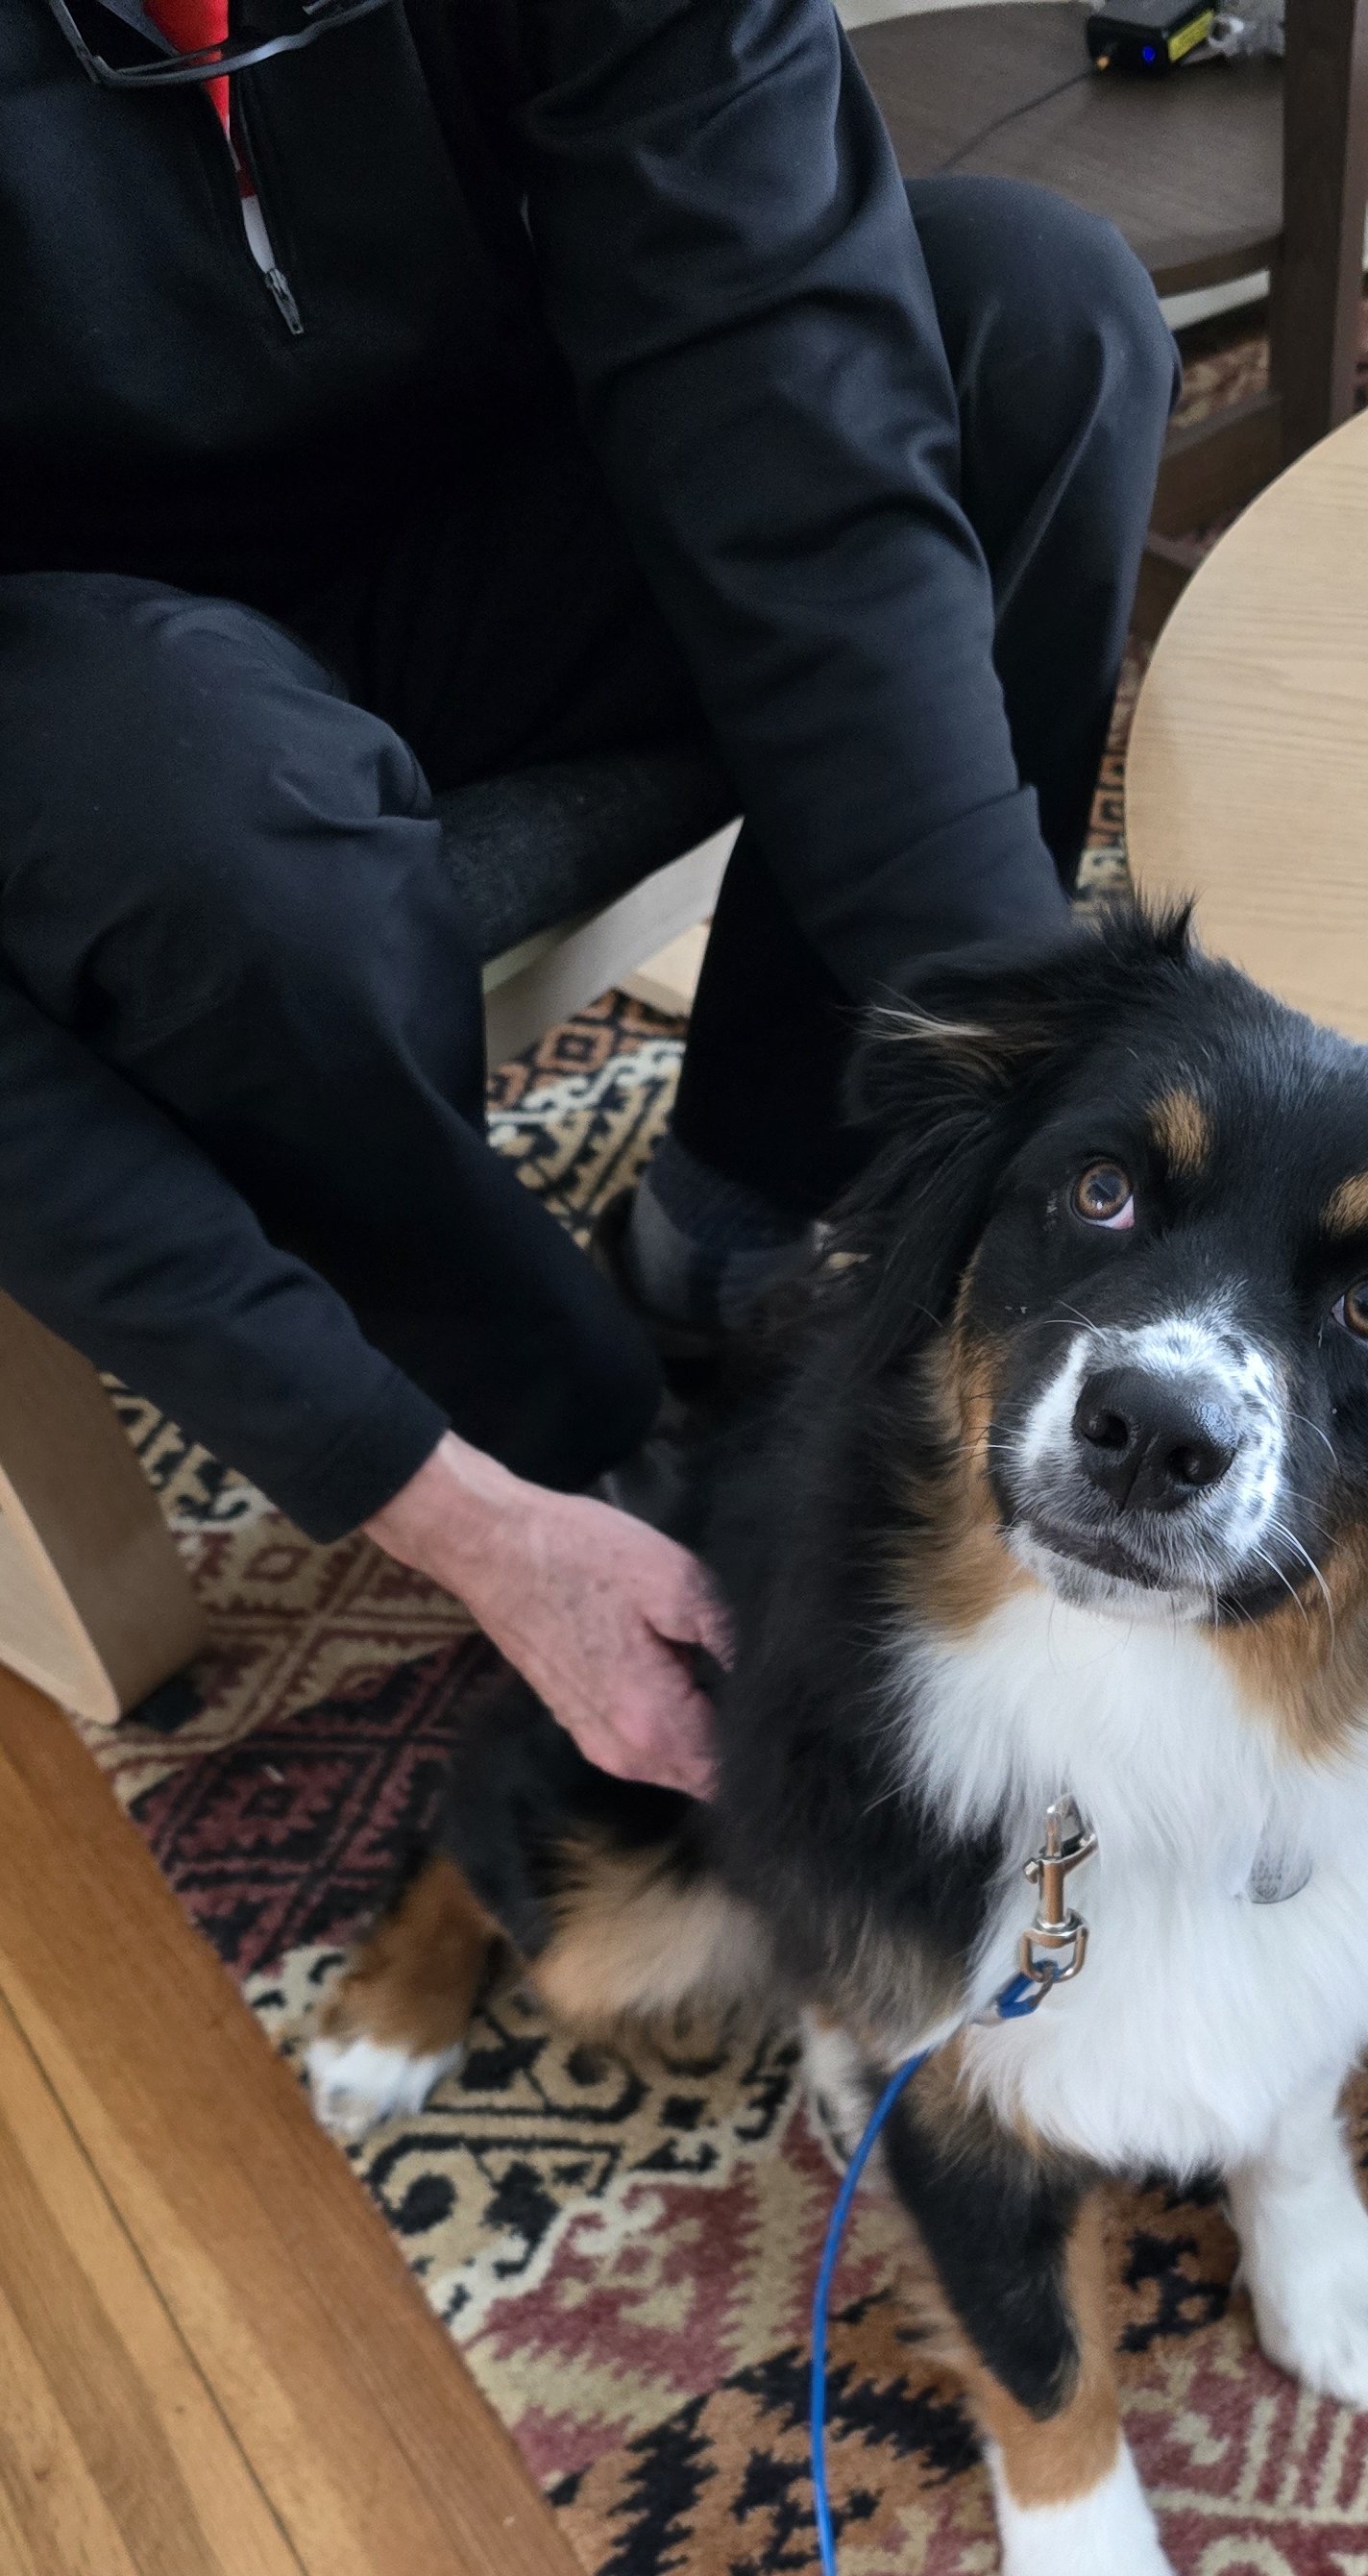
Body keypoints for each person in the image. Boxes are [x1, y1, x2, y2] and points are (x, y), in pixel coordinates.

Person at [0, 0, 1176, 1789]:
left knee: (1035, 323)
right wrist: (441, 1498)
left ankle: (742, 1222)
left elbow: (783, 387)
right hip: (80, 706)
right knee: (199, 821)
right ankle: (567, 1423)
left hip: (486, 493)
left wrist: (1032, 1107)